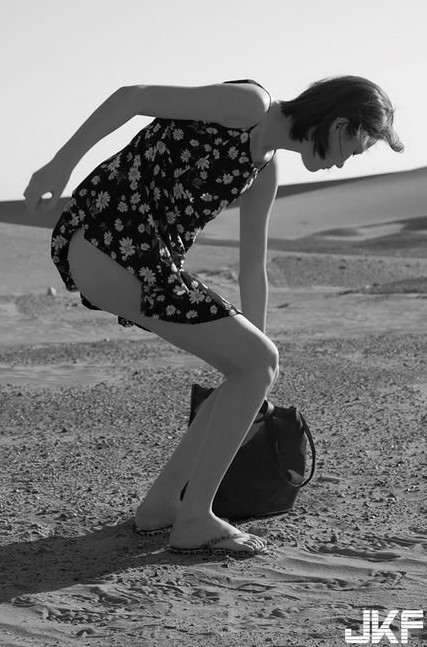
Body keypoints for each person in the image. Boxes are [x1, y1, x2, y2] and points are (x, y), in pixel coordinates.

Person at [23, 76, 403, 557]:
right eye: (353, 148)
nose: (343, 162)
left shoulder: (265, 169)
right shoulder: (249, 105)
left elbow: (252, 268)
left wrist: (256, 369)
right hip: (110, 243)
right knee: (255, 364)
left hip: (139, 263)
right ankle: (195, 519)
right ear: (340, 124)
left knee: (250, 368)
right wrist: (60, 165)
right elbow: (134, 97)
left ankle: (162, 505)